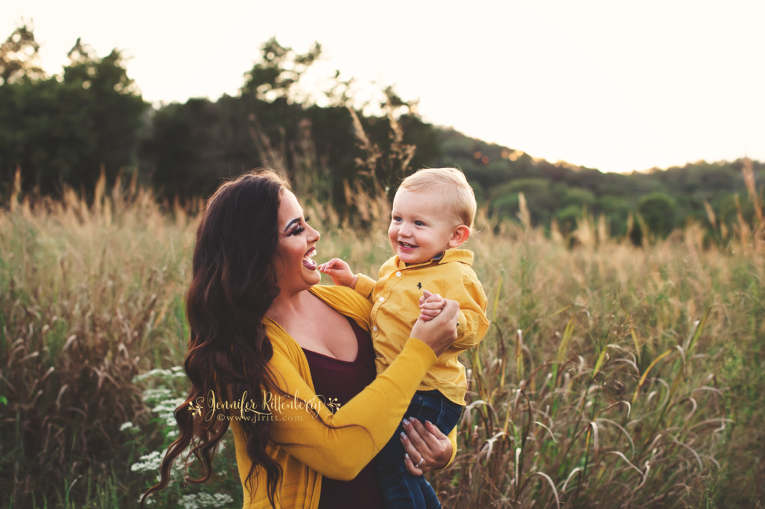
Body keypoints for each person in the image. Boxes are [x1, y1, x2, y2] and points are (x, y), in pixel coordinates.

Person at [140, 170, 461, 509]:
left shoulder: (350, 303)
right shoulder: (243, 351)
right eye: (296, 229)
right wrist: (420, 350)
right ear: (255, 252)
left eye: (306, 222)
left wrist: (442, 447)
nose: (315, 234)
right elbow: (340, 456)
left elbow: (431, 380)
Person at [318, 167, 490, 509]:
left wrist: (450, 316)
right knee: (402, 470)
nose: (403, 231)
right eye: (397, 218)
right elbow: (384, 298)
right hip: (407, 385)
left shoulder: (455, 275)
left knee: (394, 469)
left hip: (429, 391)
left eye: (419, 224)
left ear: (456, 236)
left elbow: (476, 325)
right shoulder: (395, 266)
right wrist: (354, 282)